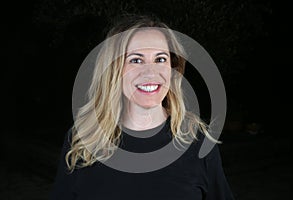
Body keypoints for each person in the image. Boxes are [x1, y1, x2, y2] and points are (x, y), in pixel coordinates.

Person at [50, 14, 235, 200]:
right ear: (114, 70)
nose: (150, 72)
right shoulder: (84, 141)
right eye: (136, 60)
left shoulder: (198, 142)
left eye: (160, 59)